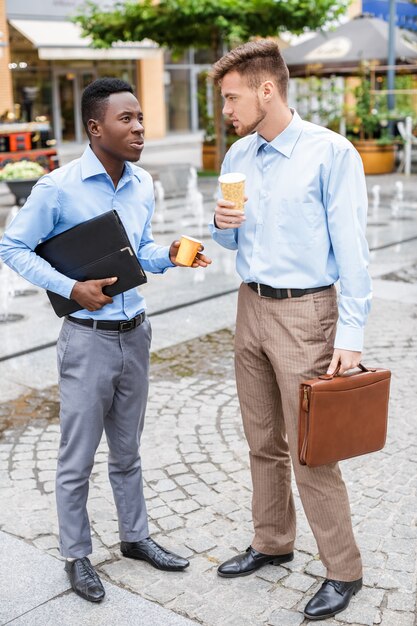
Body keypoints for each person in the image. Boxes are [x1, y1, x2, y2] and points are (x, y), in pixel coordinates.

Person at [0, 77, 211, 603]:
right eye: (127, 119)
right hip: (86, 340)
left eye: (140, 118)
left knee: (128, 451)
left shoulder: (141, 185)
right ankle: (76, 556)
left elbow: (137, 250)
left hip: (136, 335)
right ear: (96, 128)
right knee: (77, 458)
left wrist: (173, 254)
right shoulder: (57, 187)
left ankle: (135, 538)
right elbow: (12, 246)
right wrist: (70, 286)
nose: (139, 127)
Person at [209, 41, 371, 621]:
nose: (226, 108)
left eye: (232, 97)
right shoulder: (236, 157)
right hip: (249, 306)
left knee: (311, 452)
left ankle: (343, 570)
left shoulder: (331, 154)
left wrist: (349, 336)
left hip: (307, 314)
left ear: (266, 90)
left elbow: (354, 252)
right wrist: (221, 225)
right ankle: (273, 542)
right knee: (262, 442)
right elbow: (229, 241)